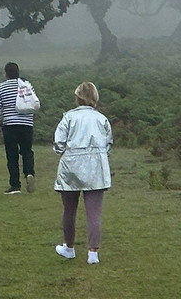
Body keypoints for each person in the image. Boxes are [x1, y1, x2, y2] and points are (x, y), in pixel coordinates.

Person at [53, 81, 112, 265]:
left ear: (77, 97)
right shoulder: (102, 119)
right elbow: (108, 144)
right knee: (94, 212)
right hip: (96, 168)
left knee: (69, 210)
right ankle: (93, 253)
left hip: (71, 167)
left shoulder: (68, 118)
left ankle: (69, 248)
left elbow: (58, 144)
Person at [0, 61, 36, 195]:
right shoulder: (27, 86)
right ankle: (29, 173)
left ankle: (15, 185)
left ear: (6, 73)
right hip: (27, 124)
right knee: (27, 151)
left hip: (10, 125)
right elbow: (34, 103)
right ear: (18, 72)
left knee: (12, 155)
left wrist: (1, 121)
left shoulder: (1, 88)